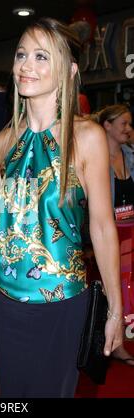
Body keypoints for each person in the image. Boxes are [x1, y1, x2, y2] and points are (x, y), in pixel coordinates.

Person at [0, 17, 123, 398]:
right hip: (5, 298)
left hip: (63, 299)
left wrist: (114, 310)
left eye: (42, 56)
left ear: (69, 69)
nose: (27, 65)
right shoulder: (2, 141)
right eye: (22, 54)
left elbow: (103, 228)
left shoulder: (86, 137)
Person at [94, 104, 134, 366]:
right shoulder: (94, 159)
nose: (129, 130)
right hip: (108, 234)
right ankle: (116, 343)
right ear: (107, 126)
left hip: (130, 231)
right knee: (114, 288)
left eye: (130, 124)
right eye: (124, 124)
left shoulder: (131, 156)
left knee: (129, 286)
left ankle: (124, 337)